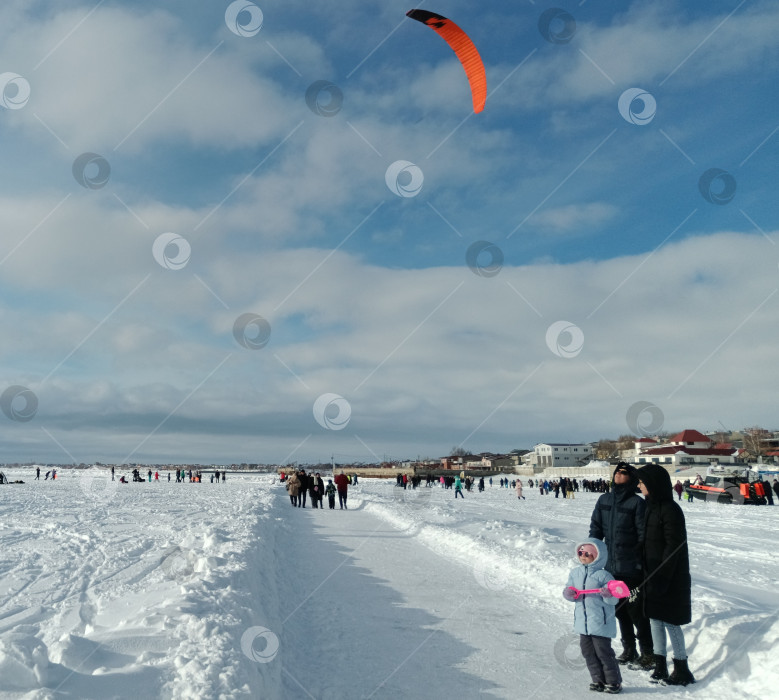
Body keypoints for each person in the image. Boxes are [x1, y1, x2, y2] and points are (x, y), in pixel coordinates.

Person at [636, 464, 695, 686]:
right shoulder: (651, 507)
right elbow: (648, 540)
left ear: (653, 484)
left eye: (642, 482)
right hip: (651, 573)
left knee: (671, 621)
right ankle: (660, 664)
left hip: (670, 576)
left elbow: (674, 546)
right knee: (654, 620)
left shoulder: (671, 510)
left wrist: (661, 575)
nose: (639, 485)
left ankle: (682, 669)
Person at [589, 463, 653, 669]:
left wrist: (640, 562)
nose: (618, 474)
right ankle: (629, 649)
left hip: (631, 567)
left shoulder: (636, 503)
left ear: (631, 477)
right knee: (619, 609)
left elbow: (643, 535)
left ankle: (648, 653)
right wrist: (593, 555)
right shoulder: (604, 499)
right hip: (610, 568)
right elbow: (596, 529)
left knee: (636, 611)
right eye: (617, 471)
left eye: (624, 472)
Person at [562, 538, 622, 694]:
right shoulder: (575, 573)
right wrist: (569, 593)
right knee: (588, 652)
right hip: (583, 623)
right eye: (581, 552)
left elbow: (615, 599)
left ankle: (614, 682)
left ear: (597, 556)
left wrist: (608, 594)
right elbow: (569, 590)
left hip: (600, 622)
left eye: (588, 553)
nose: (583, 556)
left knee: (604, 653)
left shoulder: (604, 576)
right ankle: (598, 681)